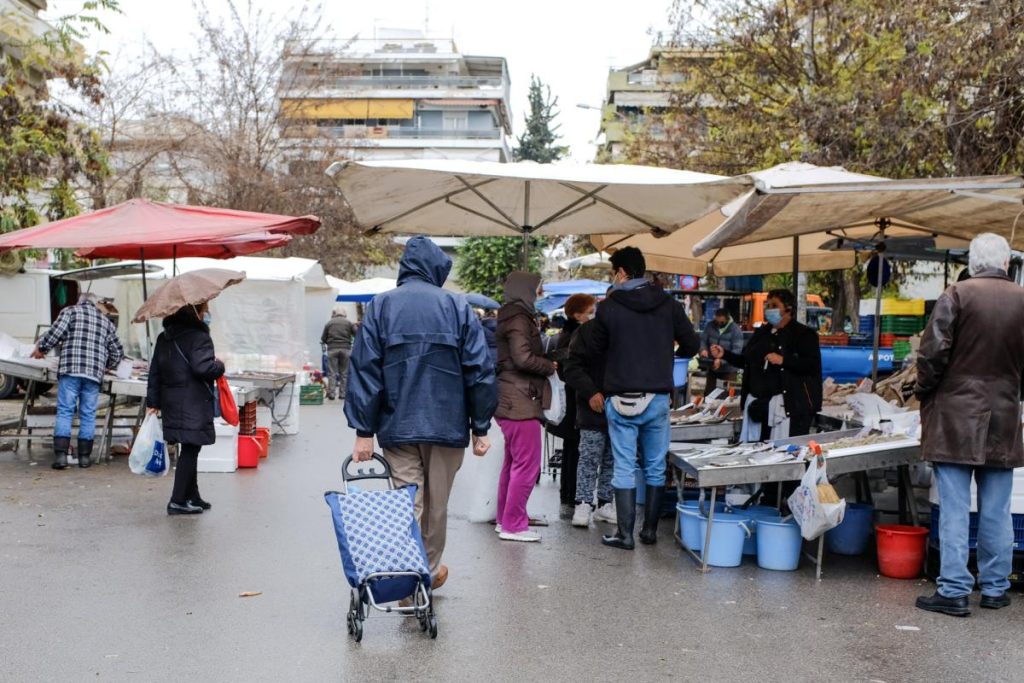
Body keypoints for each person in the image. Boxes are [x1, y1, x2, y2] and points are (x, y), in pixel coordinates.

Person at [345, 236, 496, 589]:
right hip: (447, 425)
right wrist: (481, 426)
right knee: (436, 507)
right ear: (436, 269)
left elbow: (364, 370)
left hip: (397, 425)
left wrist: (363, 431)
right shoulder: (457, 306)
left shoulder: (381, 306)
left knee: (406, 502)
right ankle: (425, 572)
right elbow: (480, 369)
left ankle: (406, 576)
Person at [914, 233, 1024, 617]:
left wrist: (924, 391)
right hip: (1005, 415)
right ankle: (995, 587)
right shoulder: (1022, 299)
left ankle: (954, 589)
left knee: (956, 509)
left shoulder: (956, 295)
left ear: (972, 263)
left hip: (955, 416)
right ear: (1006, 263)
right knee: (997, 510)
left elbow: (932, 355)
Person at [588, 247, 700, 550]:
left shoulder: (609, 307)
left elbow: (595, 348)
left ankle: (625, 535)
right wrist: (667, 357)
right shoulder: (669, 304)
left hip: (620, 396)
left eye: (614, 272)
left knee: (624, 465)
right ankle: (649, 531)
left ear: (622, 272)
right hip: (657, 397)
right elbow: (692, 344)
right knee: (655, 465)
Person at [494, 271, 556, 543]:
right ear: (525, 290)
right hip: (520, 399)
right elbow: (522, 358)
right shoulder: (519, 318)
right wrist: (549, 366)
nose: (540, 294)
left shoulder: (511, 315)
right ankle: (514, 525)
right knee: (527, 465)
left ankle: (505, 519)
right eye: (537, 289)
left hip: (510, 396)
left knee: (513, 464)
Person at [145, 302, 225, 515]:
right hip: (192, 402)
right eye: (204, 310)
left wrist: (153, 402)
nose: (206, 314)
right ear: (195, 313)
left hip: (172, 401)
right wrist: (219, 365)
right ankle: (177, 500)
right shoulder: (199, 337)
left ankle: (192, 495)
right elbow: (203, 368)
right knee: (191, 448)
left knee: (190, 446)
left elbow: (155, 372)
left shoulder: (164, 337)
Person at [711, 289, 822, 442]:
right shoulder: (761, 333)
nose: (769, 309)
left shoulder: (804, 334)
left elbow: (812, 365)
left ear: (788, 308)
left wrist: (784, 360)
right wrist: (725, 354)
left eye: (774, 305)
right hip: (758, 407)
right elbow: (746, 361)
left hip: (788, 409)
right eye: (767, 305)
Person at [33, 292, 124, 470]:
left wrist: (41, 348)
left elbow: (55, 333)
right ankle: (84, 458)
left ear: (80, 301)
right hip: (93, 375)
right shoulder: (106, 322)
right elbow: (117, 352)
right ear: (95, 304)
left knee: (65, 412)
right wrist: (105, 365)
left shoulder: (70, 311)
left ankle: (61, 456)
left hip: (71, 370)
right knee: (88, 414)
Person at [562, 294, 617, 528]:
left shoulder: (627, 331)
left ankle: (605, 503)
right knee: (589, 457)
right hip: (591, 408)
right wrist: (591, 392)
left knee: (612, 459)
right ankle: (583, 503)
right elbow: (572, 367)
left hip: (621, 407)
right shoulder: (585, 332)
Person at [547, 294, 592, 508]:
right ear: (577, 315)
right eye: (590, 312)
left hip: (569, 398)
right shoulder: (576, 335)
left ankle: (567, 492)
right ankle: (571, 494)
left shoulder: (566, 333)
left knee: (571, 447)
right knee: (574, 448)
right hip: (573, 399)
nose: (593, 315)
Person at [699, 307, 744, 394]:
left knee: (722, 395)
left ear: (728, 319)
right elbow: (703, 340)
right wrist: (703, 349)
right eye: (717, 322)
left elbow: (737, 351)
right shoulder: (710, 325)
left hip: (728, 371)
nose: (719, 324)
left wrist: (722, 361)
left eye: (722, 322)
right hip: (712, 368)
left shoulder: (736, 330)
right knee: (709, 394)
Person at [320, 308, 357, 400]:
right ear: (344, 314)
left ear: (335, 314)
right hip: (346, 350)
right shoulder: (349, 323)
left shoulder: (329, 323)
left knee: (332, 373)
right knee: (344, 373)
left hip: (332, 350)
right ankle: (342, 394)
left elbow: (323, 338)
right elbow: (357, 334)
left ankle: (332, 394)